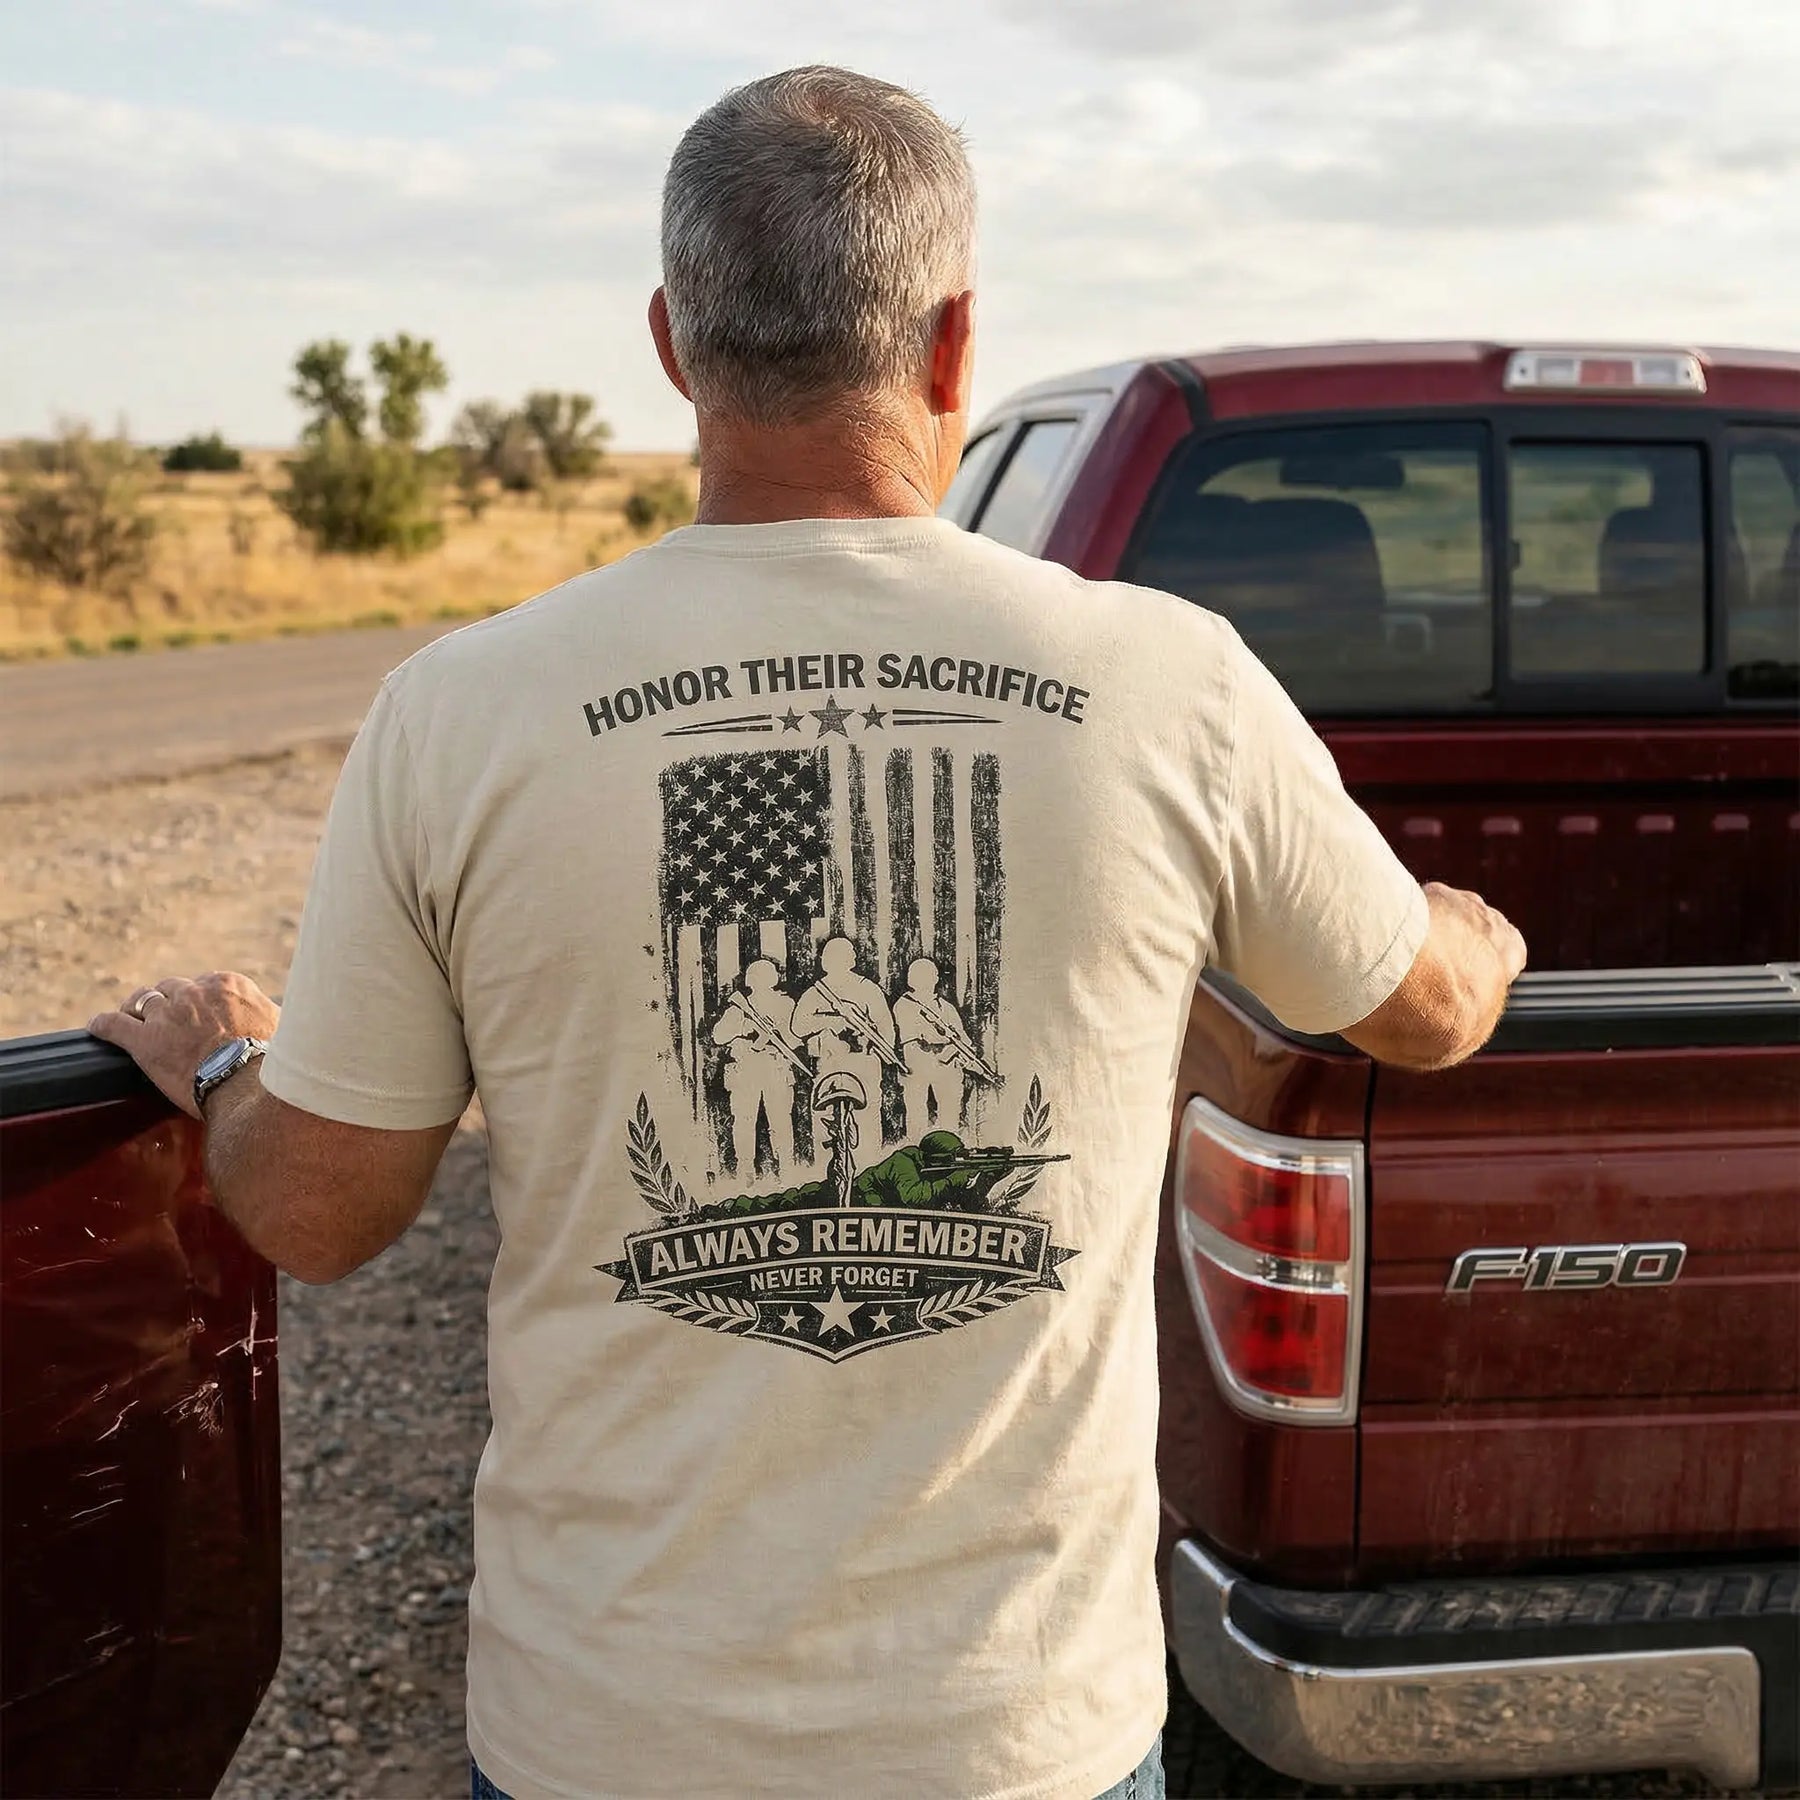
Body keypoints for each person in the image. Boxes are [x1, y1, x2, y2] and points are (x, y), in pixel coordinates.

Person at [91, 66, 1526, 1800]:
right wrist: (1470, 931)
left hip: (606, 1734)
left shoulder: (459, 711)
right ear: (953, 343)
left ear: (672, 342)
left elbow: (319, 1212)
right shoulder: (1173, 684)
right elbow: (1424, 1012)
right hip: (1016, 1738)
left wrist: (225, 1065)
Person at [791, 935, 898, 1145]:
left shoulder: (867, 988)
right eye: (829, 957)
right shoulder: (815, 992)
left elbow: (885, 1026)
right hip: (828, 1062)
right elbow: (797, 1026)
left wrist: (878, 1050)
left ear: (851, 959)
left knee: (866, 1116)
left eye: (840, 956)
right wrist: (830, 1022)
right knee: (825, 1115)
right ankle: (829, 1163)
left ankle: (869, 1160)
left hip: (862, 1061)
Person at [709, 957, 800, 1175]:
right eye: (757, 977)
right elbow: (718, 1036)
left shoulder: (785, 1005)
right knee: (744, 1120)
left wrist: (777, 1035)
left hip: (775, 1067)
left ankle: (786, 1169)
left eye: (766, 976)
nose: (761, 981)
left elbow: (795, 1038)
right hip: (747, 1070)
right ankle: (745, 1169)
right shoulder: (740, 1006)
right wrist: (743, 1027)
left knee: (780, 1120)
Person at [893, 954, 987, 1133]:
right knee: (916, 1113)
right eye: (925, 975)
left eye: (932, 975)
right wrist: (945, 1041)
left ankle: (950, 1142)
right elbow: (918, 1036)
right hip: (917, 1065)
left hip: (946, 1066)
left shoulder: (946, 1007)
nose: (932, 979)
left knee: (950, 1111)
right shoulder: (904, 1004)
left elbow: (962, 1037)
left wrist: (965, 1053)